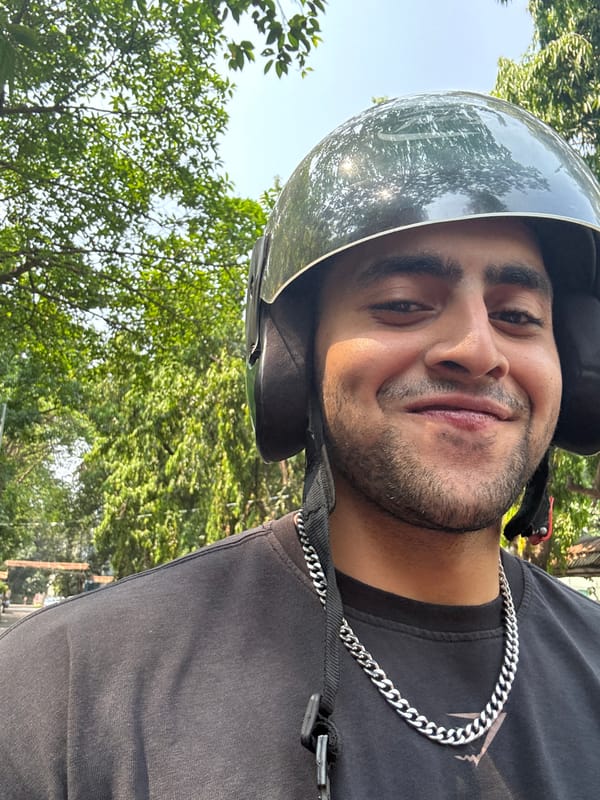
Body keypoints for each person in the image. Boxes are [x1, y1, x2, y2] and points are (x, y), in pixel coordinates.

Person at [1, 92, 600, 799]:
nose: (477, 349)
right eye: (404, 303)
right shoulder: (64, 691)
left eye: (518, 317)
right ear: (293, 361)